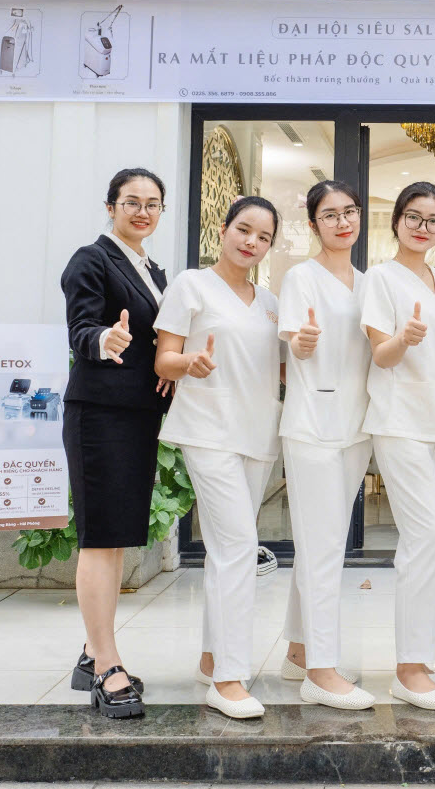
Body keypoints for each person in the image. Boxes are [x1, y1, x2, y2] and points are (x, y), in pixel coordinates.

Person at [155, 195, 284, 721]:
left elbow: (277, 366)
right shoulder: (191, 285)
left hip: (257, 432)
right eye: (244, 229)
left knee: (226, 550)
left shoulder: (270, 302)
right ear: (224, 228)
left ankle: (211, 659)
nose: (252, 242)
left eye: (264, 237)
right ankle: (230, 678)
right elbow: (164, 359)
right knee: (238, 547)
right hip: (208, 430)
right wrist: (190, 362)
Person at [61, 167, 171, 719]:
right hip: (99, 415)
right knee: (101, 540)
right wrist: (105, 337)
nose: (142, 212)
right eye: (132, 202)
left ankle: (90, 652)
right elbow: (81, 327)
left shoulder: (154, 270)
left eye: (153, 204)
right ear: (111, 207)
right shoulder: (91, 259)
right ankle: (107, 667)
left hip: (137, 417)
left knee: (117, 537)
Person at [361, 181, 435, 710]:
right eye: (414, 217)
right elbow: (381, 354)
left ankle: (420, 659)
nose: (423, 227)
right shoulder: (380, 278)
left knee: (431, 543)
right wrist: (404, 338)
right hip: (400, 420)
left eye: (434, 220)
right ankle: (408, 668)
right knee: (426, 536)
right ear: (397, 220)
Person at [278, 181, 375, 711]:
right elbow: (295, 342)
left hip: (356, 425)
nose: (343, 222)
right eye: (331, 214)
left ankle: (299, 652)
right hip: (313, 424)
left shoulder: (368, 281)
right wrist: (303, 342)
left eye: (350, 212)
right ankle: (321, 670)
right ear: (314, 223)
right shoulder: (302, 277)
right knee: (321, 548)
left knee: (326, 542)